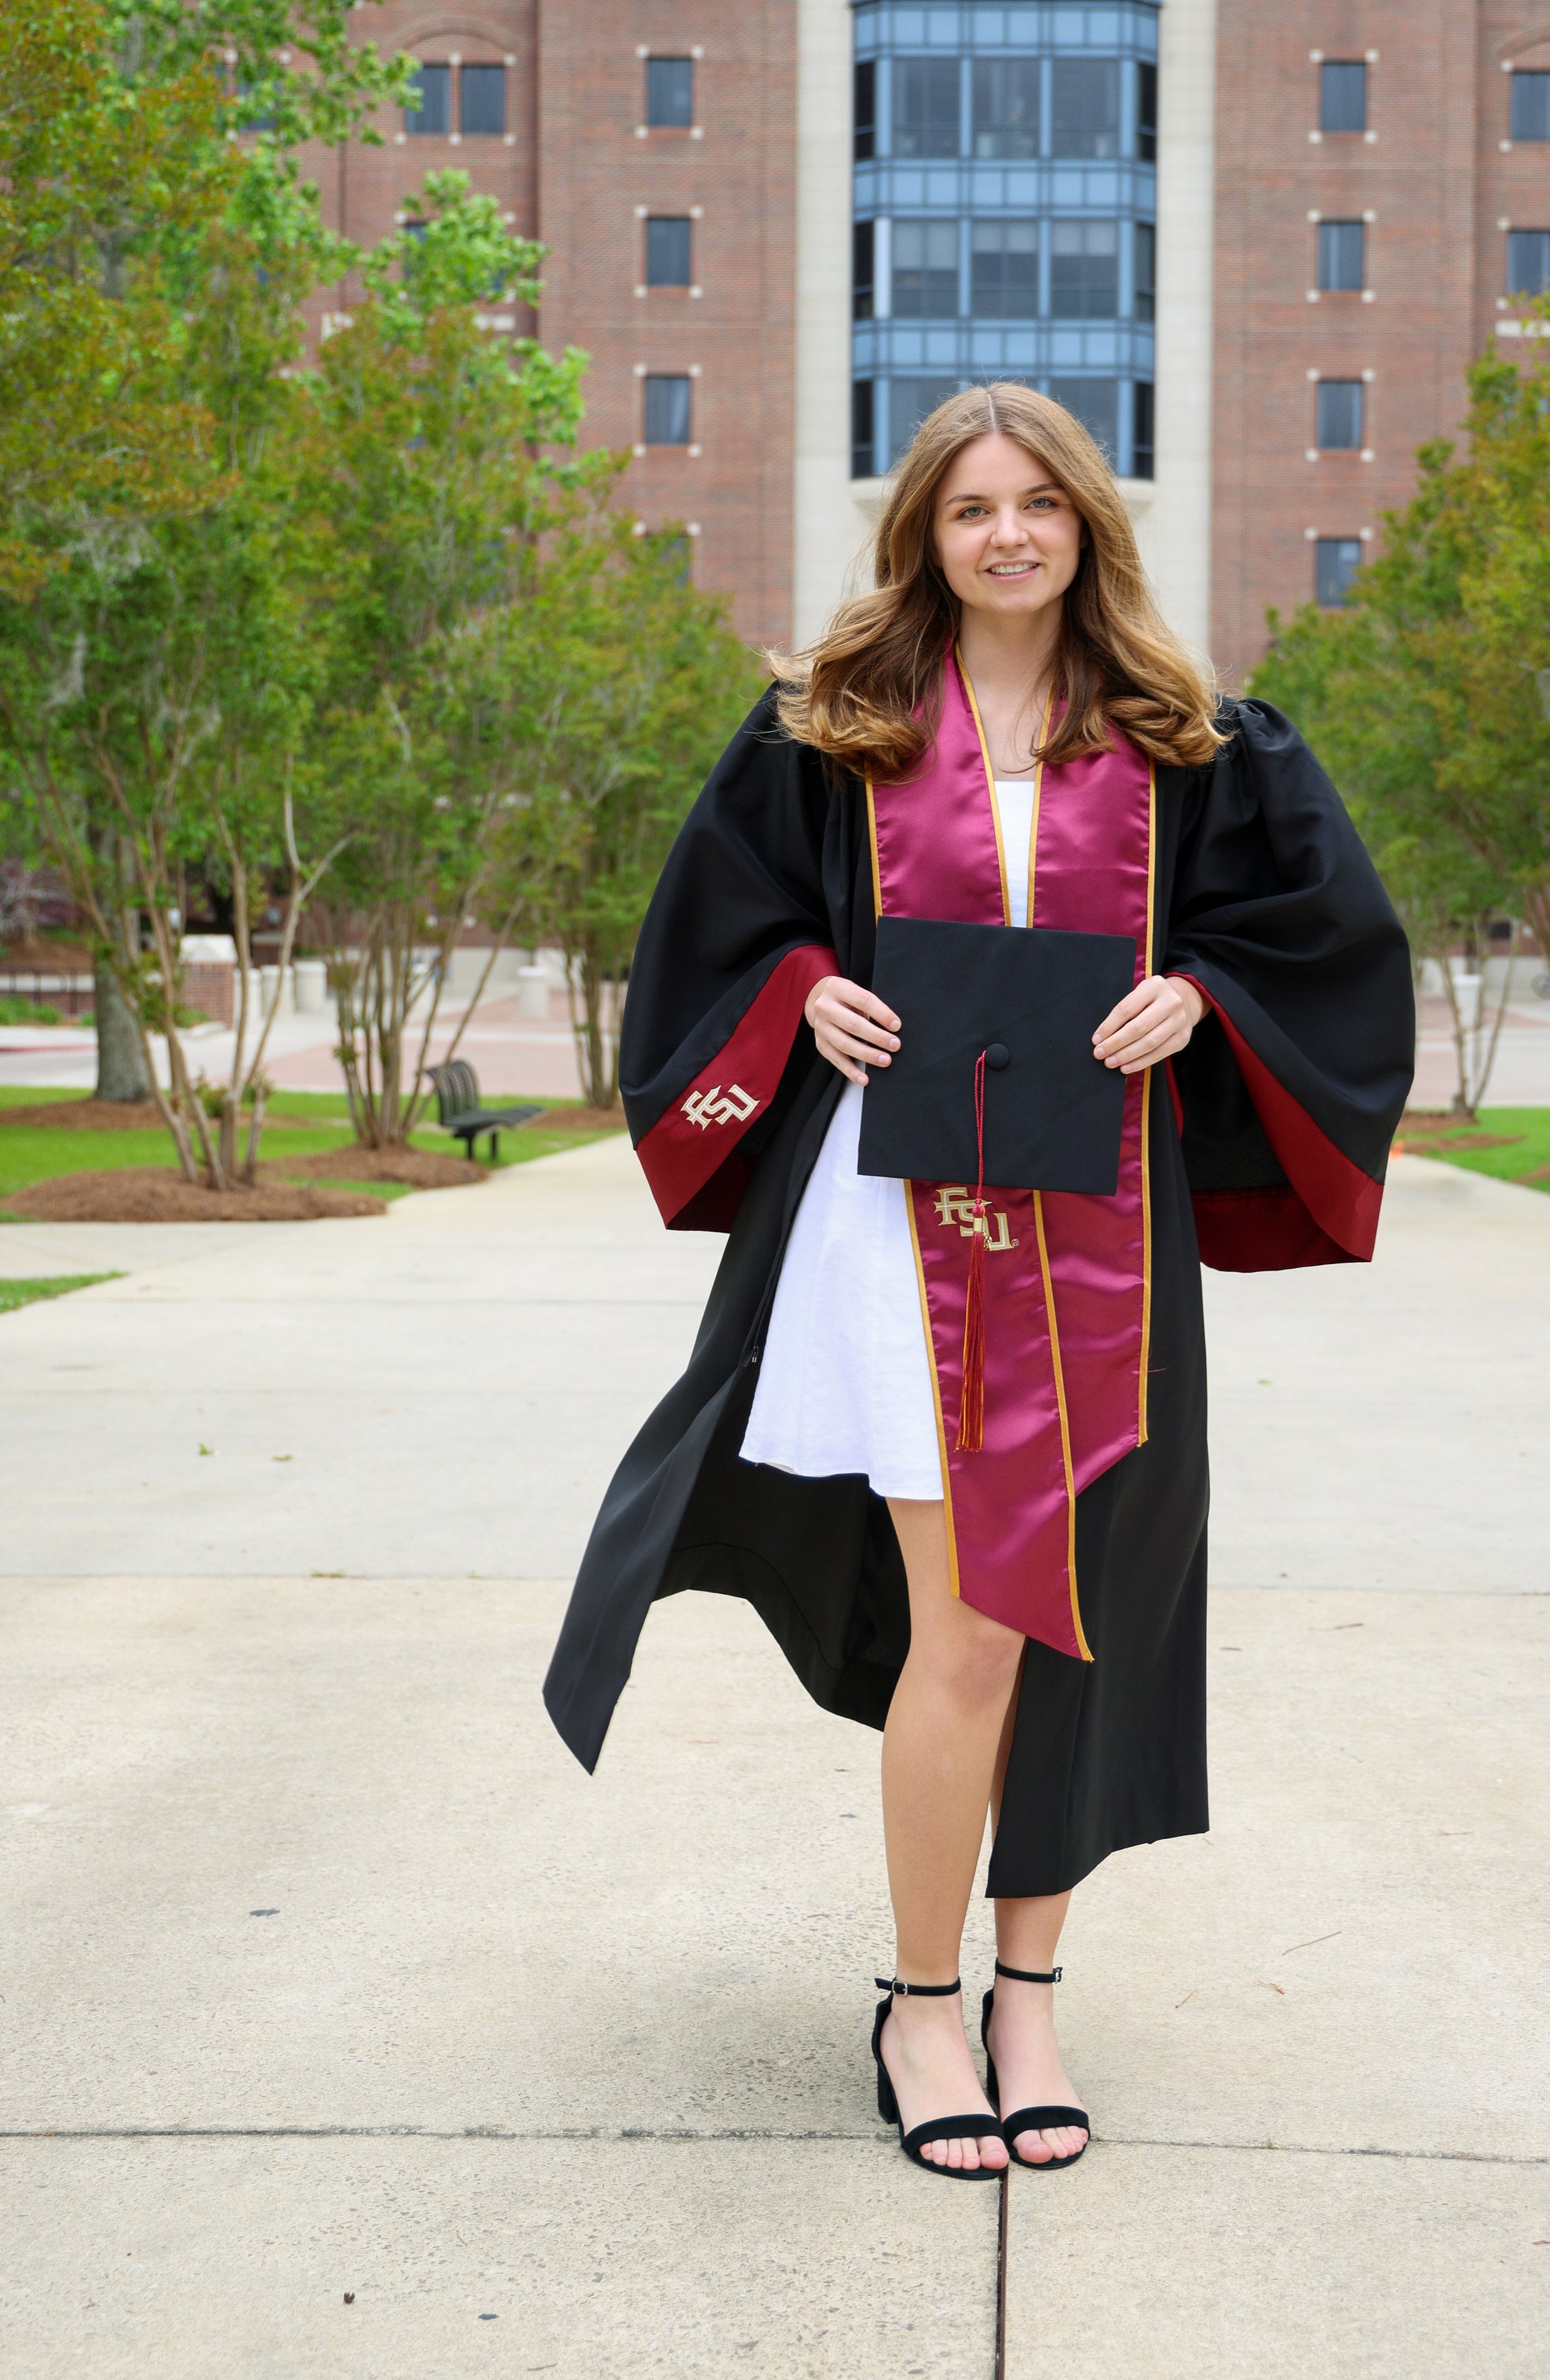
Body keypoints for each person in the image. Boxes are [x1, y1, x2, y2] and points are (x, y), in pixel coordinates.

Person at [545, 383, 1413, 2179]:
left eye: (1036, 501)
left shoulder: (1197, 745)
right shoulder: (826, 731)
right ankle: (921, 2002)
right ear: (921, 534)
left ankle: (1031, 1990)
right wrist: (804, 997)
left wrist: (1200, 998)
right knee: (972, 1622)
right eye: (966, 508)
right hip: (900, 1233)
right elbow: (712, 938)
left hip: (1104, 1230)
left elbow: (1320, 947)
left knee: (1070, 1618)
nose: (1005, 532)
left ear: (1086, 520)